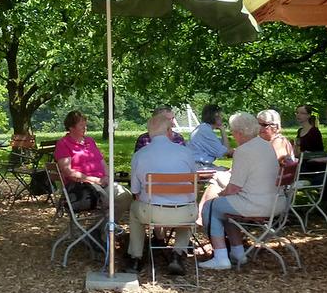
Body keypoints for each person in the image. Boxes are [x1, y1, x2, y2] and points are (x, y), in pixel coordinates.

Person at [198, 112, 281, 270]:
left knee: (210, 206)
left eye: (232, 132)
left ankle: (220, 257)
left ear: (239, 132)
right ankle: (237, 252)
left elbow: (234, 187)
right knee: (224, 208)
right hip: (275, 200)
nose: (232, 135)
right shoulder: (266, 145)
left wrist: (220, 194)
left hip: (256, 204)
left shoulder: (243, 151)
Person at [126, 108, 197, 275]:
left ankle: (135, 257)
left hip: (152, 213)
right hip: (184, 214)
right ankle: (178, 254)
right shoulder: (186, 152)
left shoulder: (140, 155)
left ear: (150, 133)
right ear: (169, 131)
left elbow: (135, 191)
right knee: (187, 208)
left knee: (134, 211)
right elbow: (194, 182)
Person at [54, 110, 133, 220]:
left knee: (125, 196)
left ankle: (103, 228)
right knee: (108, 199)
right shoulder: (63, 144)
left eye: (85, 125)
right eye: (81, 125)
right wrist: (94, 180)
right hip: (82, 185)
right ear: (71, 127)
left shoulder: (89, 141)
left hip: (102, 182)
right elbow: (68, 172)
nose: (85, 127)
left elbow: (102, 162)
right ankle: (102, 231)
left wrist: (107, 176)